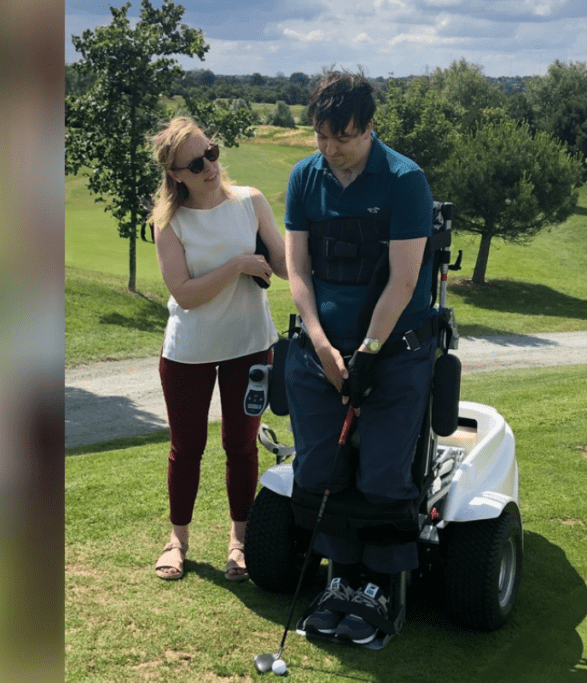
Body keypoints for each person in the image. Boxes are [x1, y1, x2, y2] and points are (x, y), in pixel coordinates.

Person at [284, 72, 437, 643]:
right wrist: (321, 344)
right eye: (321, 136)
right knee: (320, 469)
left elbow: (403, 280)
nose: (330, 149)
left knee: (381, 472)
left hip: (393, 352)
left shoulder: (404, 180)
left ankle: (379, 588)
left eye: (342, 137)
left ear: (369, 127)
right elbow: (298, 271)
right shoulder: (305, 177)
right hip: (320, 350)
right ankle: (341, 580)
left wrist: (368, 353)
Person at [149, 117, 287, 582]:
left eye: (212, 152)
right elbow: (184, 293)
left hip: (249, 346)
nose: (209, 165)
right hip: (188, 352)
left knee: (241, 446)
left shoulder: (251, 202)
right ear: (176, 175)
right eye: (195, 162)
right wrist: (240, 264)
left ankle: (240, 542)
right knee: (187, 448)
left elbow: (286, 264)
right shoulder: (168, 221)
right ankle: (177, 541)